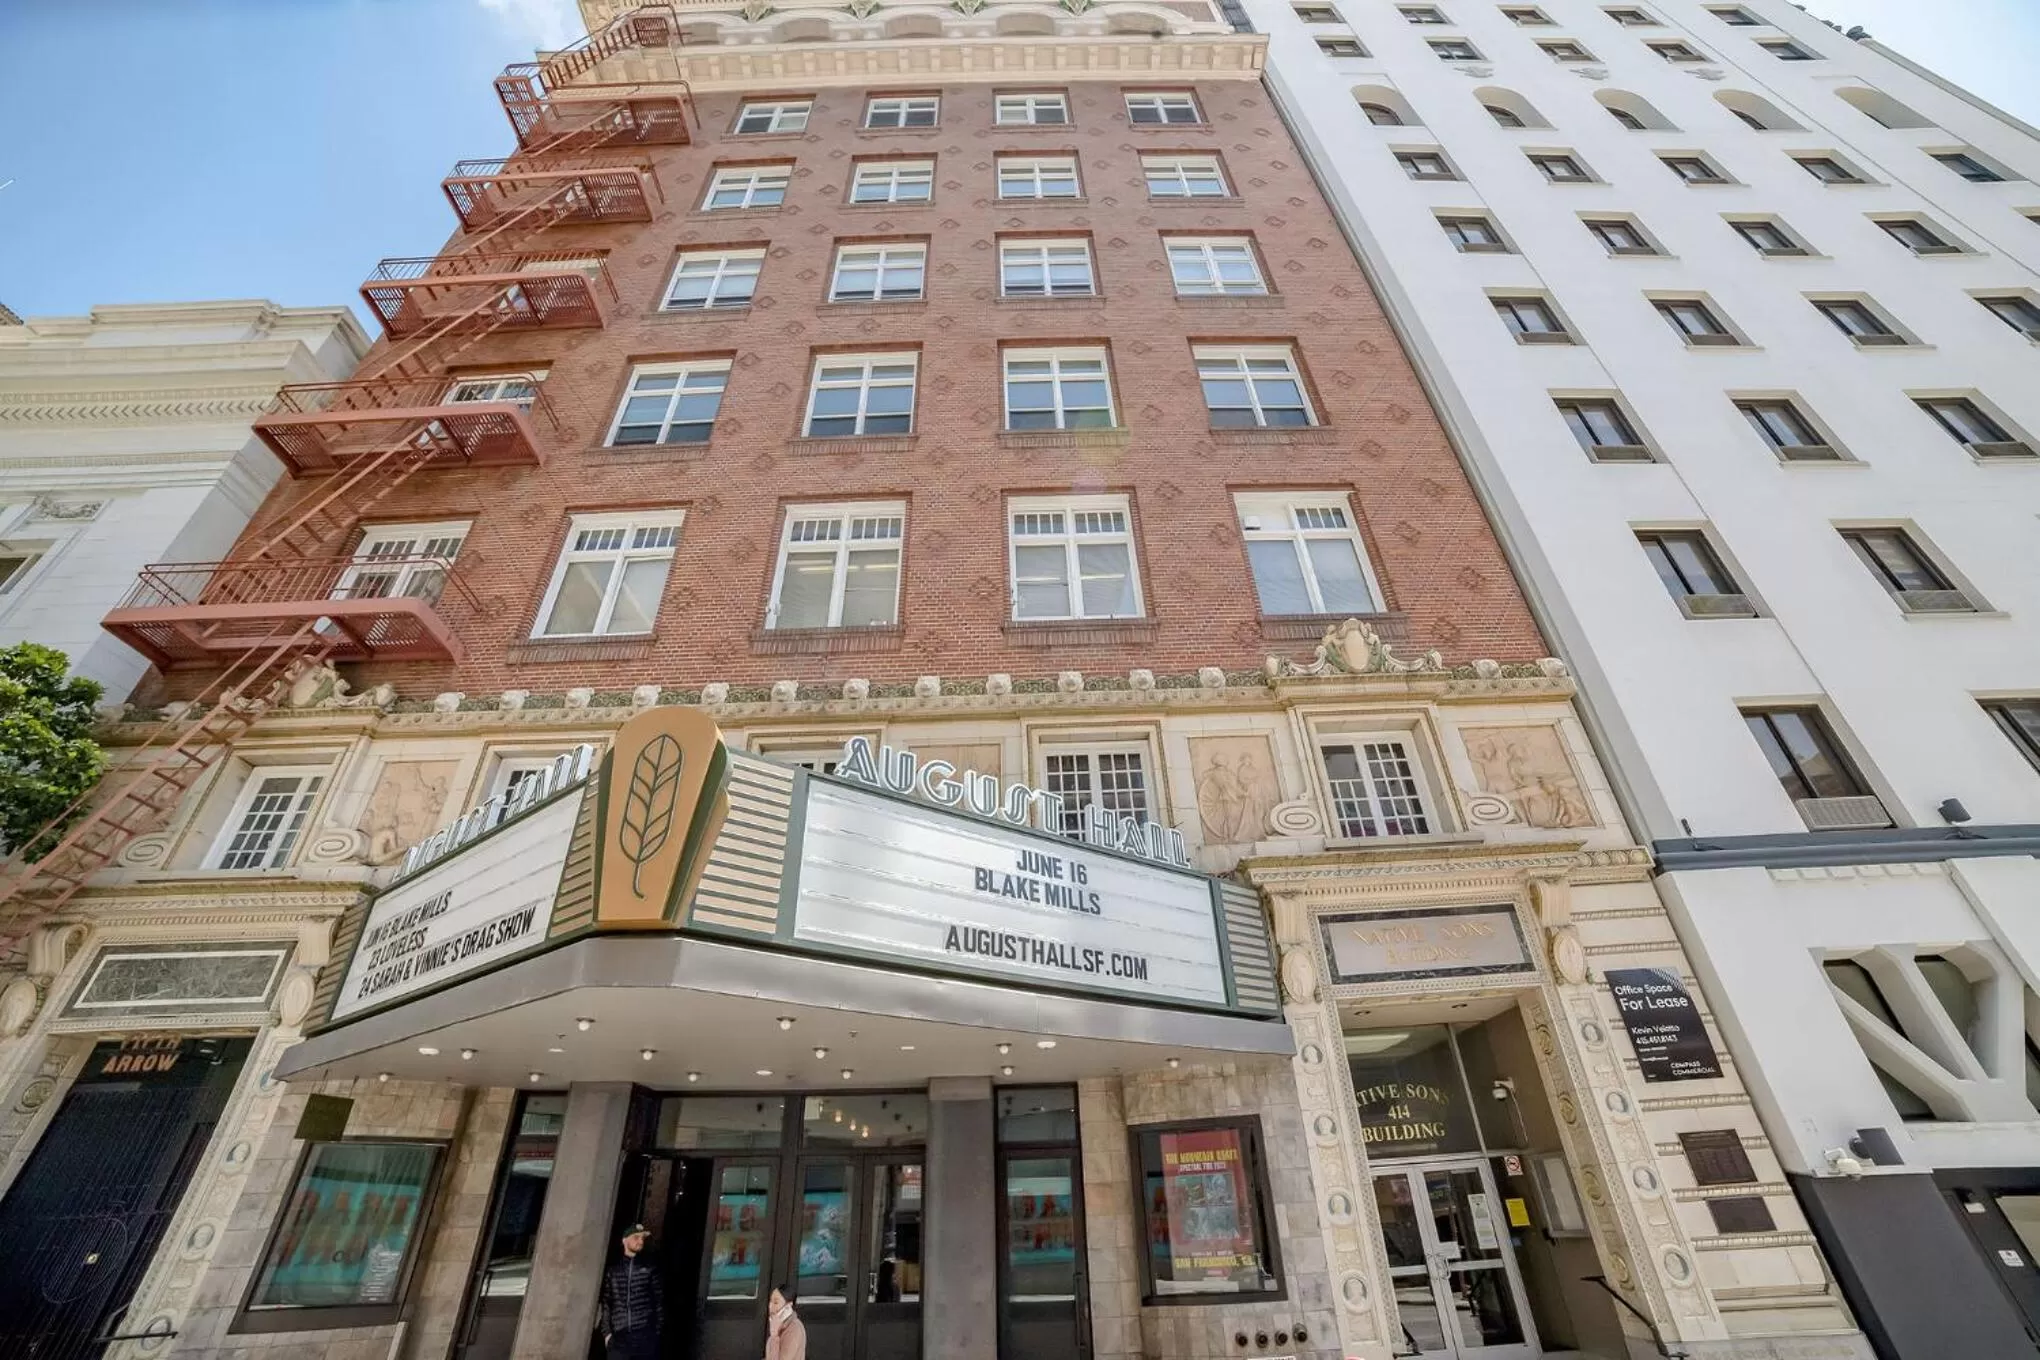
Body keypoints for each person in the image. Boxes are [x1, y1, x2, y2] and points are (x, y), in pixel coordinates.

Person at [598, 1223, 663, 1359]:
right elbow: (607, 1304)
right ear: (624, 1240)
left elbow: (659, 1302)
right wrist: (607, 1334)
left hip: (644, 1337)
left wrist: (655, 1333)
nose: (640, 1241)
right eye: (636, 1237)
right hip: (619, 1339)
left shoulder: (649, 1269)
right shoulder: (613, 1272)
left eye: (642, 1238)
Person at [765, 1283, 806, 1360]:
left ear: (788, 1306)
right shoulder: (780, 1326)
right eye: (770, 1301)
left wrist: (774, 1336)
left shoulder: (795, 1328)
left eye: (776, 1302)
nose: (770, 1306)